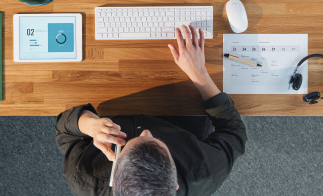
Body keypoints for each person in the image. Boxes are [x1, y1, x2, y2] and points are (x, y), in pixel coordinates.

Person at [55, 25, 247, 196]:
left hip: (111, 101)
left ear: (115, 176)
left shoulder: (84, 179)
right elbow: (234, 132)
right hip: (182, 115)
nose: (145, 131)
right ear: (176, 184)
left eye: (131, 142)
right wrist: (200, 75)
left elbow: (64, 128)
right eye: (158, 142)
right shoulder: (204, 173)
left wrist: (88, 123)